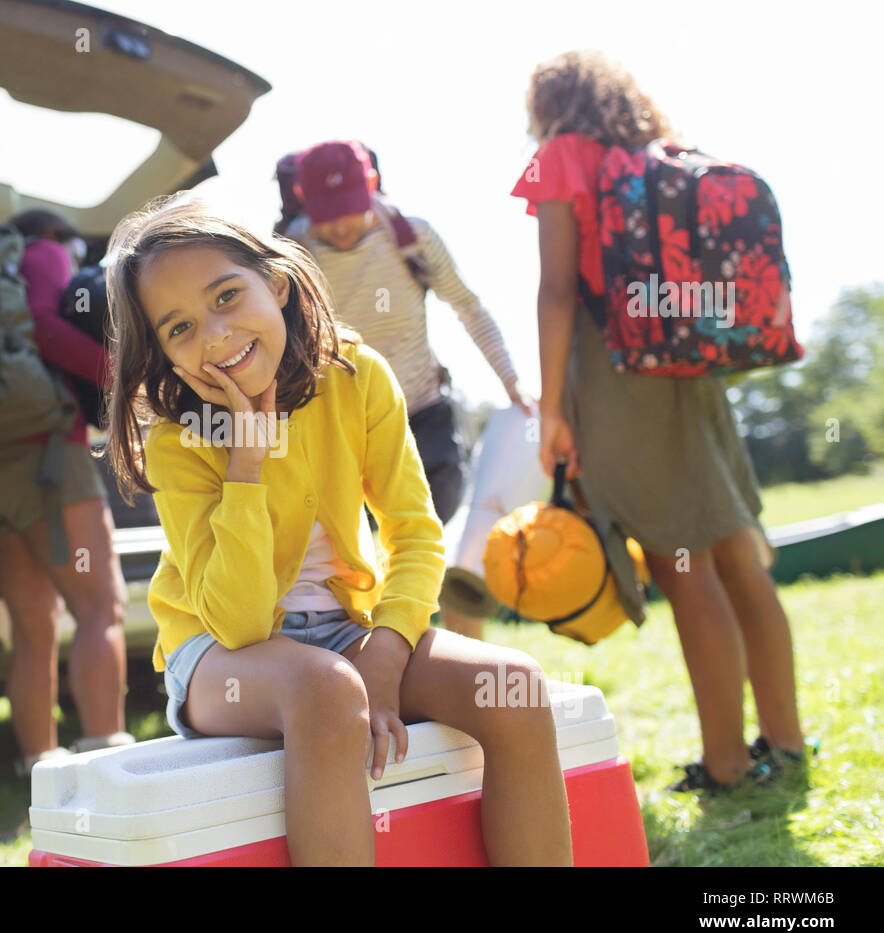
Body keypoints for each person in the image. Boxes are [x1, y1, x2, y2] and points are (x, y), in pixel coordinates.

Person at [102, 193, 572, 865]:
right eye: (179, 329)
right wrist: (246, 461)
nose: (214, 335)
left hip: (349, 634)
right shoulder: (181, 441)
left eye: (227, 297)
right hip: (218, 655)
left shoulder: (357, 377)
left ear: (279, 283)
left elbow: (415, 532)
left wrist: (384, 652)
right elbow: (234, 621)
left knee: (517, 685)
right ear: (167, 359)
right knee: (325, 689)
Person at [511, 51, 808, 793]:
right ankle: (787, 743)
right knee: (737, 555)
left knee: (684, 566)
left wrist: (552, 409)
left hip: (617, 374)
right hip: (691, 364)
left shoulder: (561, 158)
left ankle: (729, 765)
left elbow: (555, 291)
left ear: (547, 104)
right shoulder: (657, 157)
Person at [285, 140, 534, 640]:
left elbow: (468, 306)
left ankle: (466, 663)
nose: (339, 226)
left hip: (421, 410)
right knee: (348, 558)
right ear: (302, 199)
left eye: (350, 211)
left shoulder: (410, 237)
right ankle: (373, 657)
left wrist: (512, 381)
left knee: (436, 540)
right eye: (326, 214)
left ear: (372, 187)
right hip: (340, 426)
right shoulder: (292, 254)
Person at [0, 208, 132, 777]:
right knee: (99, 606)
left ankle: (39, 765)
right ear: (57, 236)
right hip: (47, 453)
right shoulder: (43, 254)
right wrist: (119, 380)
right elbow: (46, 326)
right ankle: (106, 756)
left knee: (33, 626)